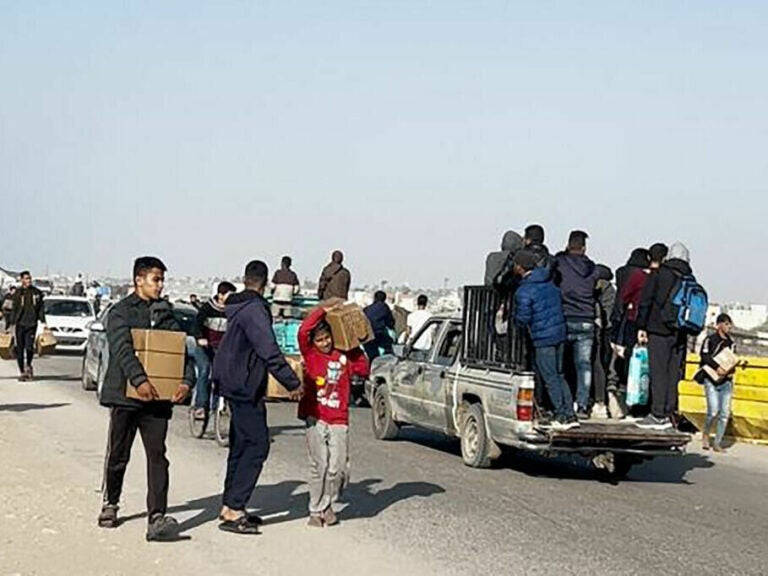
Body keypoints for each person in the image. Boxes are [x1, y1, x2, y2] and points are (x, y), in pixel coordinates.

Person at [98, 257, 196, 542]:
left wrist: (186, 381)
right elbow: (122, 349)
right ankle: (111, 503)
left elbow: (181, 354)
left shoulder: (168, 316)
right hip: (126, 396)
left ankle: (157, 516)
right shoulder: (120, 312)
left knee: (157, 456)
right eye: (156, 279)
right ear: (139, 280)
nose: (160, 285)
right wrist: (139, 380)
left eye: (163, 279)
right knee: (118, 454)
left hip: (158, 402)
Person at [213, 260, 302, 535]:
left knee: (241, 445)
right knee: (257, 445)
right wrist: (292, 382)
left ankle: (230, 505)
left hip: (232, 380)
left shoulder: (237, 307)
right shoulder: (254, 310)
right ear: (266, 285)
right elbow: (268, 350)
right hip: (243, 383)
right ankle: (234, 508)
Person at [297, 300, 370, 527]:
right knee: (319, 464)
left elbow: (363, 368)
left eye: (327, 338)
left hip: (339, 417)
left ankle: (328, 503)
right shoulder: (310, 354)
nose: (324, 343)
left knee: (337, 467)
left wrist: (353, 343)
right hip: (315, 416)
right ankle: (316, 509)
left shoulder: (344, 356)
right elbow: (303, 331)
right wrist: (323, 311)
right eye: (319, 340)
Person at [513, 250, 578, 431]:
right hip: (560, 335)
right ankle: (570, 414)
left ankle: (561, 415)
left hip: (543, 338)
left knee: (550, 378)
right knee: (560, 375)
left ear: (520, 267)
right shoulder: (550, 284)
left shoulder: (524, 290)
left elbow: (523, 319)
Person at [636, 242, 696, 430]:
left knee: (658, 372)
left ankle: (658, 414)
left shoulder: (660, 274)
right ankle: (670, 412)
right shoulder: (690, 278)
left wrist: (641, 326)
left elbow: (645, 301)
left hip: (658, 330)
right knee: (672, 374)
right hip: (680, 333)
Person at [554, 230, 600, 418]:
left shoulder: (560, 264)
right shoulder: (592, 268)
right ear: (584, 248)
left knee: (560, 366)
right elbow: (604, 272)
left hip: (564, 317)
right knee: (584, 365)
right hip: (586, 319)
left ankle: (562, 404)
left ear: (568, 244)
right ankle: (582, 405)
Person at [192, 281, 237, 419]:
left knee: (221, 375)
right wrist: (200, 338)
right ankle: (200, 406)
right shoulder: (207, 308)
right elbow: (196, 325)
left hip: (221, 349)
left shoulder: (232, 311)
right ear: (220, 295)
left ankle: (218, 406)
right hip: (204, 347)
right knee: (205, 369)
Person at [696, 313, 736, 452]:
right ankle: (706, 435)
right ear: (719, 325)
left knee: (724, 414)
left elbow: (732, 359)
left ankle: (717, 442)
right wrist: (716, 367)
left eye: (729, 324)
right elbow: (704, 356)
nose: (728, 327)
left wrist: (730, 370)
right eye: (726, 324)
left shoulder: (731, 343)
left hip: (726, 382)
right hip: (711, 379)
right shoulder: (710, 340)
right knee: (713, 411)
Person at [10, 272, 46, 381]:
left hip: (31, 324)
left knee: (29, 347)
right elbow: (14, 309)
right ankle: (22, 372)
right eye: (26, 278)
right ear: (21, 280)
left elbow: (41, 308)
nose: (28, 280)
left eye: (29, 278)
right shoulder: (18, 293)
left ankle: (28, 365)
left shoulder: (37, 293)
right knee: (19, 349)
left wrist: (43, 321)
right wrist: (10, 324)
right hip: (20, 324)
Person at [591, 265, 615, 419]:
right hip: (610, 331)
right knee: (604, 365)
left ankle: (595, 400)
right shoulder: (611, 290)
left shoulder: (594, 287)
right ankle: (604, 401)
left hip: (596, 329)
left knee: (593, 363)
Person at [363, 291, 395, 361]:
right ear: (384, 299)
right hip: (378, 334)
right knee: (390, 346)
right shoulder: (384, 307)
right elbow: (390, 322)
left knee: (372, 356)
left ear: (374, 298)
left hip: (367, 336)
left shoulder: (366, 309)